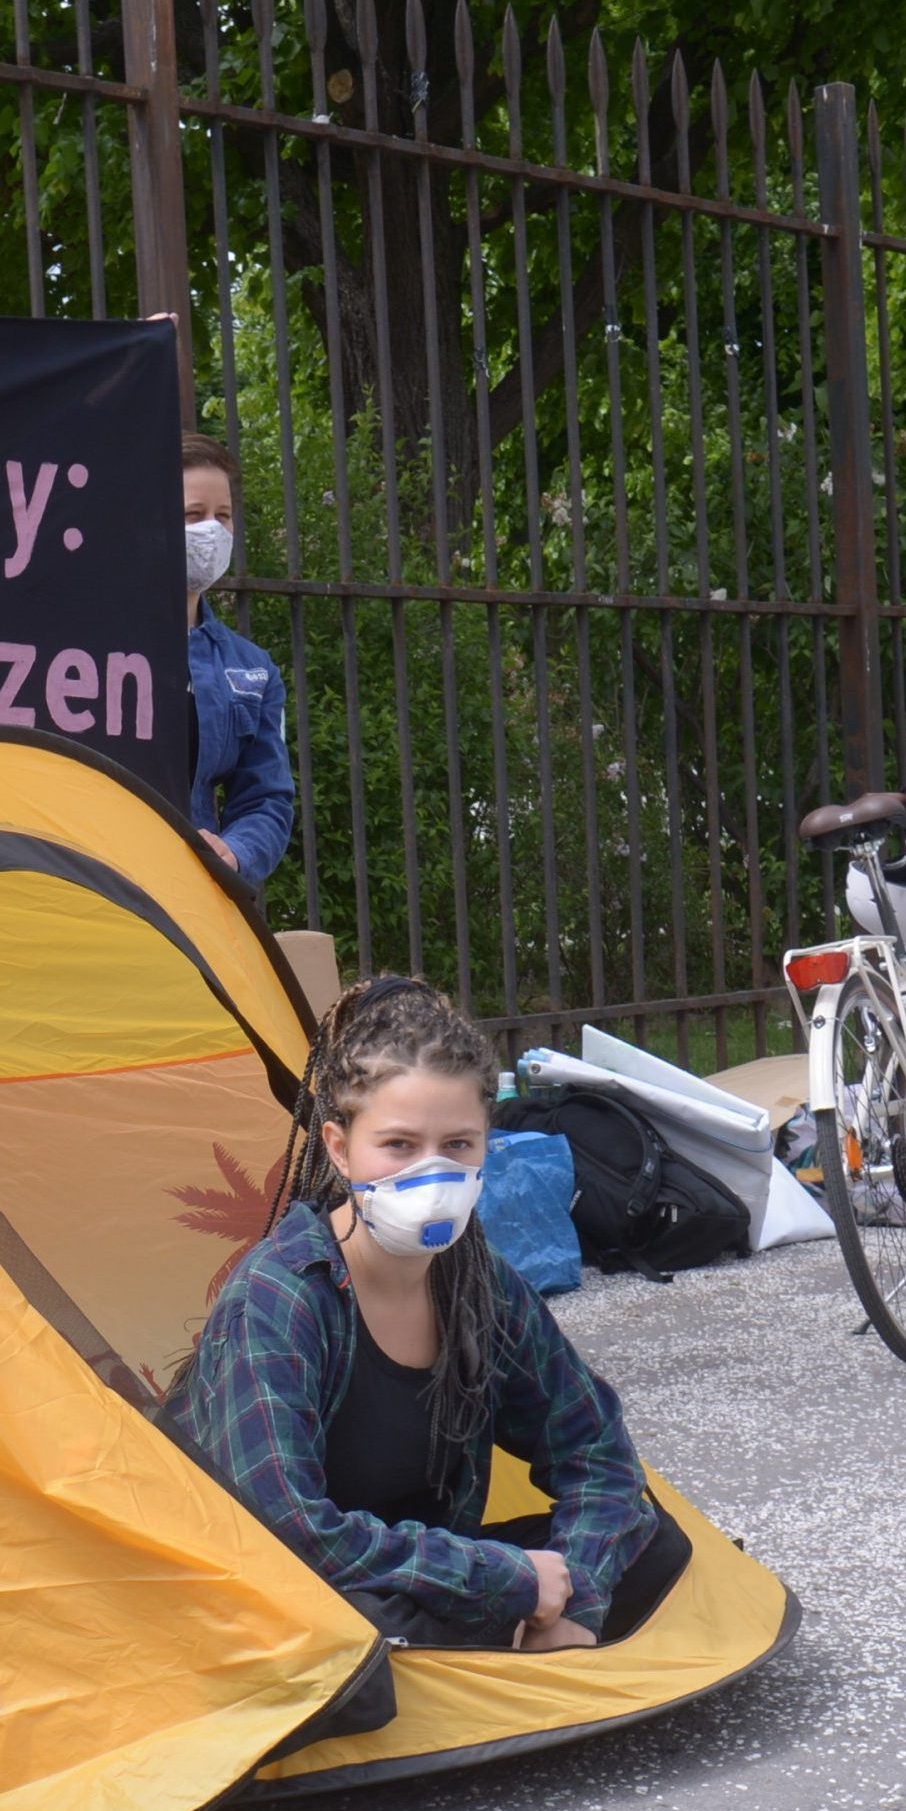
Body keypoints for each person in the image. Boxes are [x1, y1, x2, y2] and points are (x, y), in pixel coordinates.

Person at [173, 976, 689, 1649]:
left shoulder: (477, 1284)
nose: (430, 1172)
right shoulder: (281, 1296)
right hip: (282, 1583)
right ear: (338, 1147)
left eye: (457, 1146)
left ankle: (521, 1642)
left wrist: (575, 1599)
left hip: (421, 1572)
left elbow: (594, 1450)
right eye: (397, 1146)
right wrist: (503, 1581)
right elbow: (286, 1526)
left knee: (654, 1543)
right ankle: (504, 1644)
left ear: (485, 1147)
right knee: (347, 1628)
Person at [181, 431, 296, 890]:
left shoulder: (253, 669)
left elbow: (266, 798)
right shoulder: (88, 651)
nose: (212, 530)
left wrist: (237, 853)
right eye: (193, 515)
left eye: (223, 516)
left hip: (190, 898)